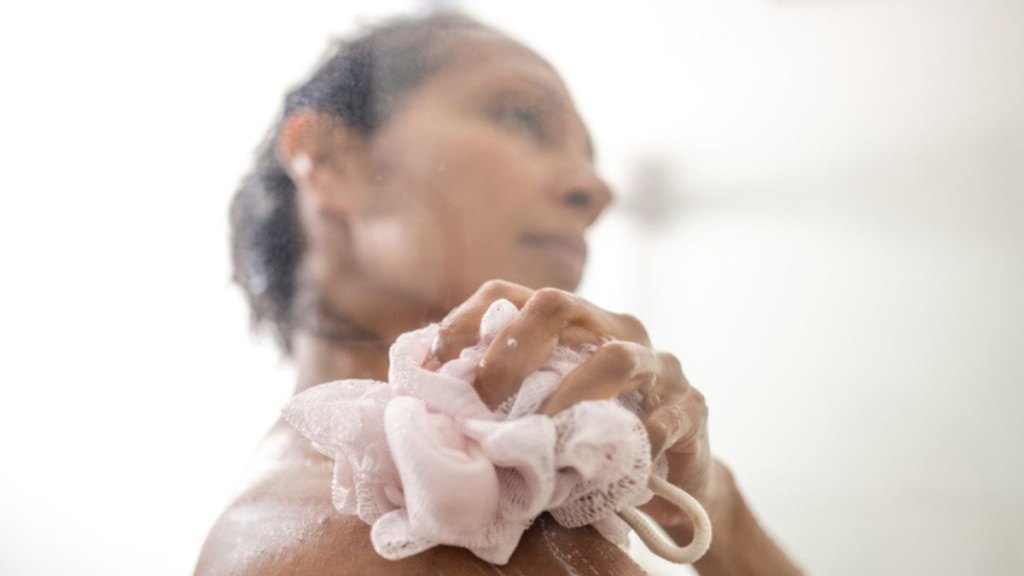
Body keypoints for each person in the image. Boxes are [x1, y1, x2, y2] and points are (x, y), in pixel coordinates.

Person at [195, 13, 802, 575]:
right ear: (328, 160)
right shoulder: (345, 535)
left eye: (589, 157)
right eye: (521, 116)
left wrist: (711, 500)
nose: (596, 190)